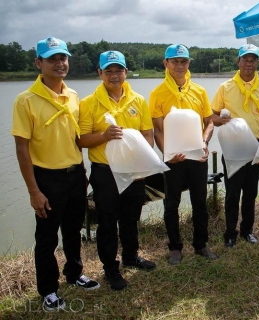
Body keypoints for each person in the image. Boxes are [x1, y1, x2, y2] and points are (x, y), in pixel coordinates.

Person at [11, 37, 99, 311]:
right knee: (47, 237)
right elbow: (22, 149)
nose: (60, 64)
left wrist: (82, 172)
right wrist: (33, 191)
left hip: (74, 174)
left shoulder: (73, 96)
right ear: (38, 63)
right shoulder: (25, 100)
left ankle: (74, 274)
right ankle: (48, 289)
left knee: (73, 230)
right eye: (52, 59)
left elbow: (75, 139)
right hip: (46, 177)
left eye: (63, 58)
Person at [78, 51, 156, 291]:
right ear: (100, 73)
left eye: (119, 70)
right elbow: (81, 140)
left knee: (131, 218)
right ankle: (111, 268)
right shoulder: (88, 103)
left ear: (126, 72)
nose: (114, 75)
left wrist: (143, 164)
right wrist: (103, 136)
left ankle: (131, 257)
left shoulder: (138, 100)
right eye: (109, 71)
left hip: (133, 171)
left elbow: (148, 134)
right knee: (108, 222)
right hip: (105, 172)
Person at [149, 44, 217, 265]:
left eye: (184, 61)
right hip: (174, 160)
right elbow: (157, 129)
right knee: (171, 204)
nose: (179, 66)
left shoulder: (199, 91)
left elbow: (209, 123)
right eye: (175, 61)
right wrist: (167, 154)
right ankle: (175, 247)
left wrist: (204, 143)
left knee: (199, 202)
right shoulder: (157, 94)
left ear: (188, 64)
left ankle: (201, 244)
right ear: (165, 63)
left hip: (197, 157)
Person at [211, 44, 259, 248]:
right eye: (245, 59)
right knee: (233, 193)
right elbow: (212, 117)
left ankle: (247, 231)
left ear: (257, 62)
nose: (249, 63)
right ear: (238, 61)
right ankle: (230, 233)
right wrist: (220, 120)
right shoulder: (225, 87)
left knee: (251, 193)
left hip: (257, 146)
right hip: (233, 146)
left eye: (253, 59)